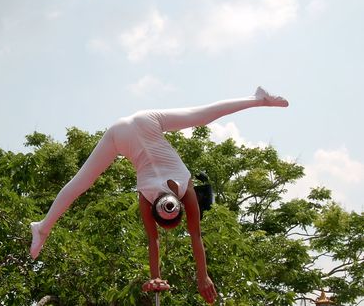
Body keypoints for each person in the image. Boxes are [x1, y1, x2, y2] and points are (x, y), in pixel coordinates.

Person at [30, 86, 289, 304]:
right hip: (123, 131)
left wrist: (198, 276)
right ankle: (42, 228)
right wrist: (196, 277)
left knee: (201, 116)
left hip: (143, 122)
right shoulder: (146, 196)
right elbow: (155, 240)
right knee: (82, 182)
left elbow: (187, 236)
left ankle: (43, 228)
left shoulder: (185, 187)